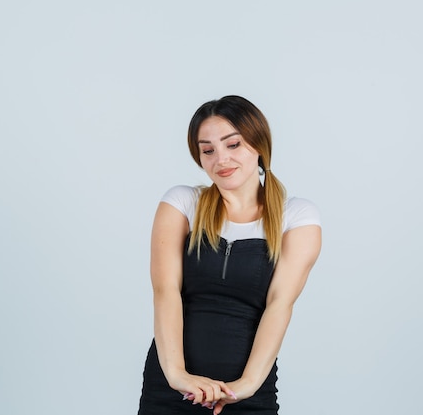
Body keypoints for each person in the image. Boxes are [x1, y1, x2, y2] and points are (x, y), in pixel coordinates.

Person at [137, 95, 322, 415]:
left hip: (248, 394)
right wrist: (177, 376)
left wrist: (247, 385)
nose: (220, 159)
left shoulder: (297, 217)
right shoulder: (182, 203)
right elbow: (165, 292)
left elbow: (280, 305)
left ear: (259, 144)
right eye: (207, 150)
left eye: (232, 144)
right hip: (172, 390)